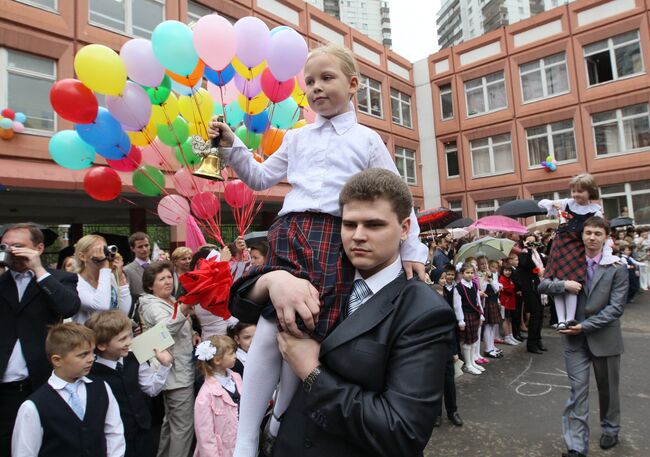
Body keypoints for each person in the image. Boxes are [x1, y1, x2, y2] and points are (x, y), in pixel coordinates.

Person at [209, 44, 428, 457]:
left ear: (353, 84)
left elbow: (400, 199)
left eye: (326, 78)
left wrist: (413, 250)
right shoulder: (296, 137)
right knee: (273, 325)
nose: (315, 88)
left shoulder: (368, 140)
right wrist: (231, 144)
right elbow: (258, 177)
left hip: (336, 235)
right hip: (292, 231)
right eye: (309, 82)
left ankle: (280, 417)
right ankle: (246, 435)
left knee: (310, 328)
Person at [232, 168, 454, 456]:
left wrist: (312, 372)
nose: (358, 236)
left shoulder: (424, 311)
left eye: (374, 225)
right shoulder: (323, 273)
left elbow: (402, 431)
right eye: (349, 225)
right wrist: (273, 281)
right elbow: (240, 305)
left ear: (404, 228)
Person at [538, 217, 628, 457]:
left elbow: (616, 308)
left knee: (608, 390)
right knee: (578, 391)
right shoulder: (567, 261)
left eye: (598, 233)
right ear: (582, 235)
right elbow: (543, 285)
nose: (591, 237)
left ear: (606, 237)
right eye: (588, 232)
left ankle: (610, 428)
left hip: (605, 337)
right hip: (573, 340)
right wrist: (563, 285)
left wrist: (585, 326)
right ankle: (577, 446)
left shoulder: (617, 267)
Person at [0, 223, 81, 455]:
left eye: (18, 246)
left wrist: (38, 270)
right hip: (5, 390)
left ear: (39, 248)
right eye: (5, 246)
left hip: (42, 383)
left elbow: (68, 307)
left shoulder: (59, 279)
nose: (12, 251)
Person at [11, 322, 125, 457]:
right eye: (83, 355)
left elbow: (114, 432)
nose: (91, 359)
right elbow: (24, 452)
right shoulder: (33, 406)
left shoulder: (101, 388)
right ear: (57, 360)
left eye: (92, 353)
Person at [85, 310, 173, 457]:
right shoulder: (92, 372)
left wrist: (164, 366)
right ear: (101, 345)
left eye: (129, 336)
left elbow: (151, 389)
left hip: (143, 430)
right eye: (122, 339)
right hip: (116, 438)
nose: (129, 342)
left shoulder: (134, 358)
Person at [138, 261, 200, 457]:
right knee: (183, 428)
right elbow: (165, 331)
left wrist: (193, 333)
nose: (167, 282)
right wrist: (184, 309)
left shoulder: (170, 300)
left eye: (168, 277)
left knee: (170, 425)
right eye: (161, 279)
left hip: (179, 371)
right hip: (175, 375)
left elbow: (180, 329)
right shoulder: (152, 305)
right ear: (150, 285)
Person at [539, 174, 603, 330]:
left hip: (577, 249)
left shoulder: (595, 211)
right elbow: (541, 203)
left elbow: (599, 230)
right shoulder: (566, 203)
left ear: (590, 192)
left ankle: (569, 319)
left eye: (580, 191)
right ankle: (560, 320)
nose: (575, 194)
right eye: (573, 191)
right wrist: (553, 204)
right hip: (560, 247)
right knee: (557, 284)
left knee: (572, 285)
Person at [193, 336, 243, 457]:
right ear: (217, 360)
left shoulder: (236, 378)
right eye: (232, 353)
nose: (235, 356)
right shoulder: (206, 395)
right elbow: (205, 436)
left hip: (240, 446)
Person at [72, 234, 131, 324]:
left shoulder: (109, 276)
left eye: (104, 249)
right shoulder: (75, 283)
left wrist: (120, 276)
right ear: (82, 256)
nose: (103, 254)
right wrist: (105, 267)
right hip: (90, 336)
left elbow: (123, 313)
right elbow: (101, 307)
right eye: (98, 250)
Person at [453, 262, 485, 375]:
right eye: (467, 273)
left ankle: (472, 362)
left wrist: (481, 314)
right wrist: (460, 320)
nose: (470, 275)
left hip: (475, 314)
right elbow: (457, 306)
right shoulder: (458, 288)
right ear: (461, 274)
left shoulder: (474, 285)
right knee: (467, 341)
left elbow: (477, 301)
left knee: (474, 340)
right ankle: (467, 364)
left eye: (472, 273)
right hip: (466, 316)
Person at [518, 234, 546, 354]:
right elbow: (527, 265)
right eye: (529, 242)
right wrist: (529, 250)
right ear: (524, 242)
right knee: (534, 314)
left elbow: (544, 264)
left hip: (540, 286)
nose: (531, 244)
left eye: (533, 242)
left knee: (540, 313)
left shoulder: (538, 254)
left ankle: (538, 340)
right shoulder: (523, 254)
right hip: (529, 288)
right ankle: (531, 343)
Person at [123, 232, 151, 305]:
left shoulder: (158, 266)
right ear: (132, 249)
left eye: (146, 245)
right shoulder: (126, 270)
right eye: (140, 247)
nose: (144, 249)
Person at [498, 265, 520, 346]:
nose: (508, 272)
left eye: (509, 270)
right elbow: (509, 289)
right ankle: (507, 336)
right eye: (506, 270)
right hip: (505, 302)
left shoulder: (509, 279)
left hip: (510, 302)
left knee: (509, 319)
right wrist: (512, 286)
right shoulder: (502, 279)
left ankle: (511, 336)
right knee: (505, 319)